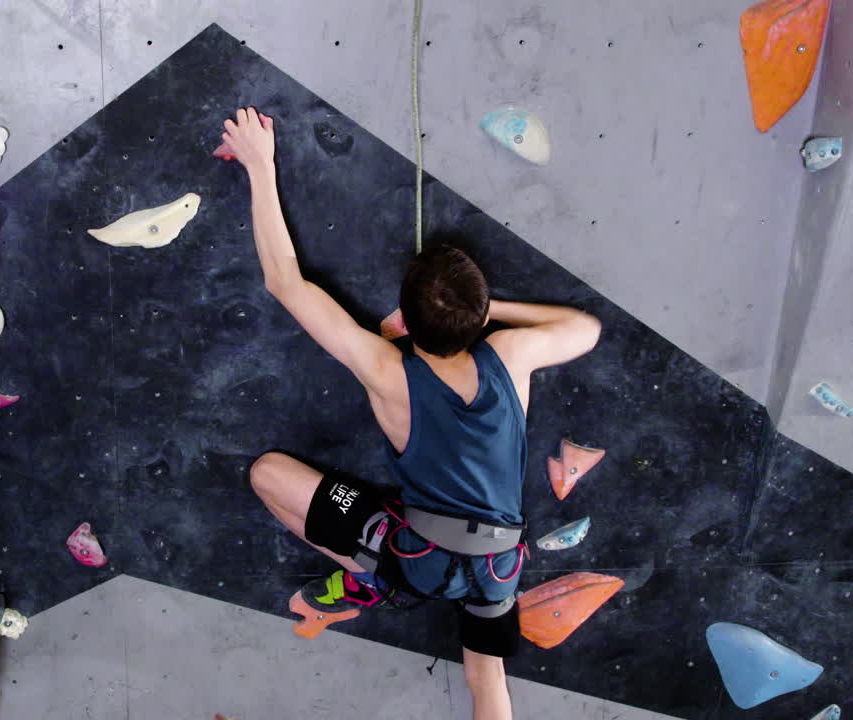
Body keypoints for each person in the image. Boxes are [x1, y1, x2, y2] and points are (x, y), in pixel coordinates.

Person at [219, 107, 602, 720]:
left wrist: (260, 167)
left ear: (403, 314)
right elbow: (584, 329)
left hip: (415, 561)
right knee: (488, 684)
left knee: (268, 474)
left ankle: (369, 574)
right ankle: (383, 567)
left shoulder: (387, 369)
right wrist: (492, 312)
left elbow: (285, 281)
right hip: (497, 570)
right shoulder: (511, 352)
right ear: (478, 318)